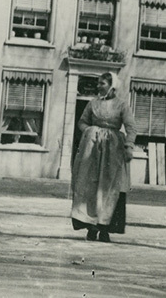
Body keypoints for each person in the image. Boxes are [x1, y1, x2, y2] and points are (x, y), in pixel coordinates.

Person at [70, 71, 136, 242]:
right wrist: (91, 131)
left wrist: (129, 146)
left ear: (112, 86)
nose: (98, 86)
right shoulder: (92, 104)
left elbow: (131, 127)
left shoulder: (122, 105)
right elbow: (82, 122)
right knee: (91, 186)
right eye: (98, 83)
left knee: (109, 188)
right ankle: (91, 227)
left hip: (113, 150)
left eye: (102, 83)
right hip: (92, 151)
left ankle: (105, 228)